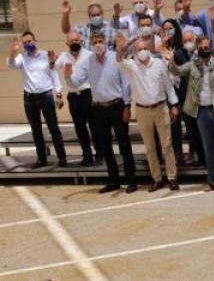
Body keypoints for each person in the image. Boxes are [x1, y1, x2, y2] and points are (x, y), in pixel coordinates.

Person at [65, 32, 136, 193]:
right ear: (91, 44)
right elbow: (76, 82)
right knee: (105, 148)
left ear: (106, 42)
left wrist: (127, 106)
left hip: (117, 106)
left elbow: (126, 83)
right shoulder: (88, 61)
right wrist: (68, 77)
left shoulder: (115, 57)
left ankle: (131, 181)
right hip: (98, 108)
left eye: (100, 41)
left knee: (124, 145)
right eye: (95, 41)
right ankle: (114, 181)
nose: (98, 44)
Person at [165, 37, 214, 191]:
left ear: (210, 48)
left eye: (206, 47)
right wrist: (171, 60)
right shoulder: (193, 65)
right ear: (197, 49)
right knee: (208, 147)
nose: (204, 49)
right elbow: (176, 71)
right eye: (201, 47)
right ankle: (212, 179)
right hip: (201, 112)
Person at [115, 32, 180, 191]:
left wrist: (174, 104)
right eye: (139, 49)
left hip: (161, 107)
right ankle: (157, 178)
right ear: (135, 52)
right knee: (150, 147)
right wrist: (125, 45)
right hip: (142, 111)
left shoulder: (159, 64)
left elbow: (168, 85)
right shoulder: (131, 66)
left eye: (145, 48)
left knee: (167, 145)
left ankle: (172, 177)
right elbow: (118, 60)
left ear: (149, 50)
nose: (143, 51)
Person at [7, 32, 67, 168]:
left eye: (30, 41)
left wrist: (58, 94)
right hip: (30, 98)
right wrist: (13, 51)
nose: (28, 44)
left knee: (53, 128)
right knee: (36, 130)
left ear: (35, 40)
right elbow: (11, 65)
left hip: (46, 96)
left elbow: (54, 76)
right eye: (25, 42)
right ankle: (41, 159)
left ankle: (62, 158)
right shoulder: (22, 58)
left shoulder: (46, 56)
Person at [160, 18, 202, 167]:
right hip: (169, 90)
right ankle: (178, 154)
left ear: (176, 30)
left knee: (190, 123)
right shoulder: (162, 48)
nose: (168, 31)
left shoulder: (182, 47)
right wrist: (164, 47)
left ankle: (193, 151)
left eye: (170, 28)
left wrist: (174, 54)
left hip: (184, 89)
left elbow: (185, 66)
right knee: (174, 124)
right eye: (165, 29)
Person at [54, 31, 99, 166]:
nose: (74, 42)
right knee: (80, 129)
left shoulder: (90, 55)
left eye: (76, 40)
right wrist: (51, 62)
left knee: (94, 127)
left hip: (88, 94)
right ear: (67, 43)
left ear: (81, 41)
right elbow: (52, 68)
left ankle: (100, 153)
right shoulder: (63, 56)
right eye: (71, 40)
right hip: (73, 96)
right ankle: (87, 156)